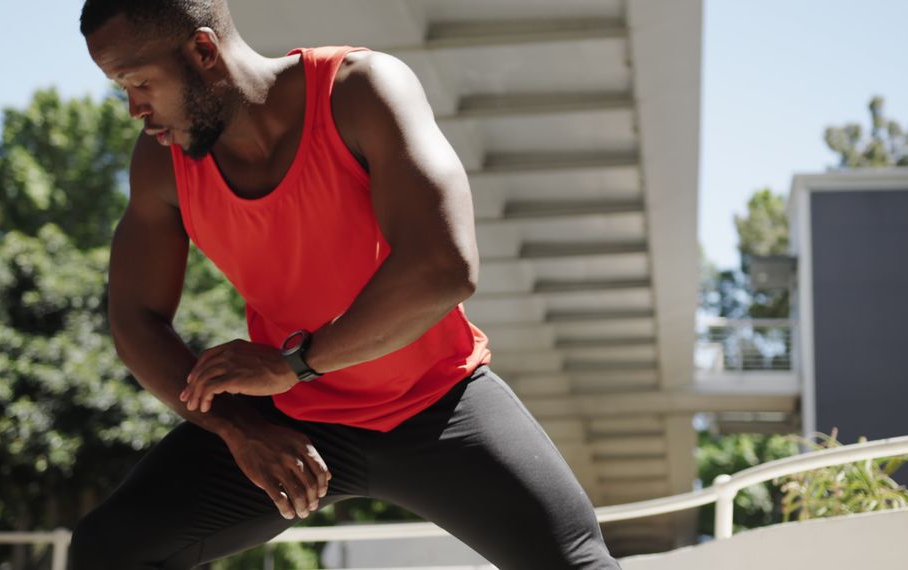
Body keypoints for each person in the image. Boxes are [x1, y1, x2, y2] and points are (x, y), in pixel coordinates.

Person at [71, 1, 623, 568]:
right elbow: (134, 318)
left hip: (437, 403)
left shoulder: (359, 90)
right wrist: (236, 426)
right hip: (290, 421)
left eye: (139, 83)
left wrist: (291, 365)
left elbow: (445, 266)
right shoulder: (162, 165)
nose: (136, 109)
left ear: (203, 52)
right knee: (106, 551)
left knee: (578, 562)